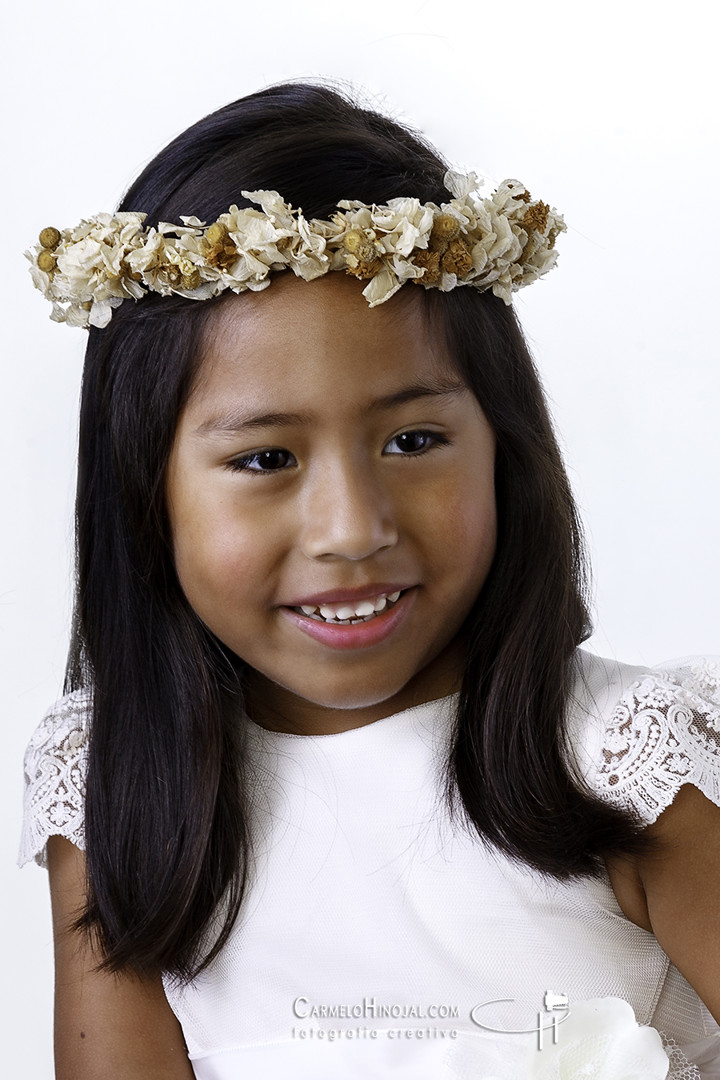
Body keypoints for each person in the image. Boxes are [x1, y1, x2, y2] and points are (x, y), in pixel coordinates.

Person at [19, 82, 720, 1080]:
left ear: (504, 447)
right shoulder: (113, 788)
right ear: (146, 491)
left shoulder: (624, 764)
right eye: (266, 459)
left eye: (414, 439)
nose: (352, 529)